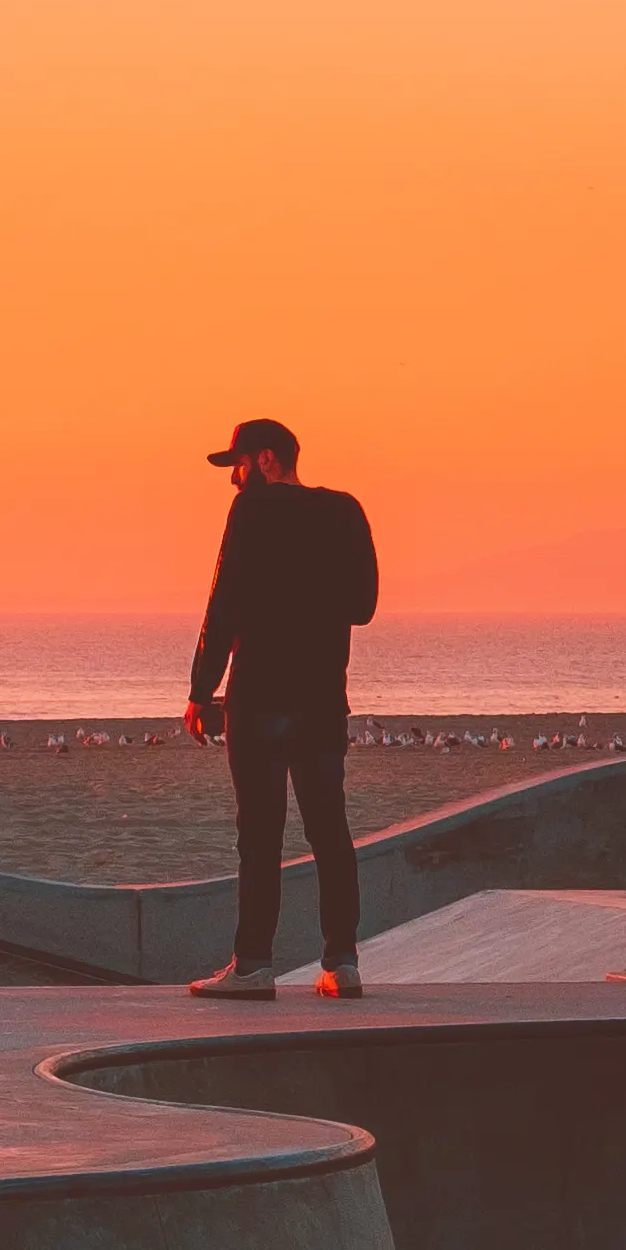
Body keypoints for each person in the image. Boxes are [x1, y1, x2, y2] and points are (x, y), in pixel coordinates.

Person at [181, 418, 376, 1000]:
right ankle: (342, 964)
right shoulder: (345, 510)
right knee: (330, 831)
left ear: (266, 461)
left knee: (259, 835)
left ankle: (252, 966)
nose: (233, 480)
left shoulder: (251, 513)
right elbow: (363, 606)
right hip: (321, 698)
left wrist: (199, 690)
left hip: (260, 695)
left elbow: (224, 603)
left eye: (238, 466)